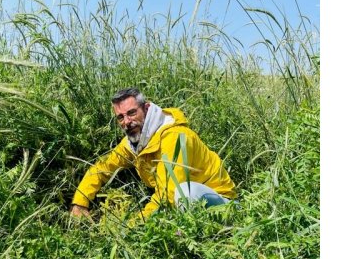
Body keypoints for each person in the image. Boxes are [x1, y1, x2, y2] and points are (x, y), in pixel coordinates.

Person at [70, 87, 236, 221]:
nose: (126, 122)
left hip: (221, 202)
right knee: (181, 197)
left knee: (184, 193)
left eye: (132, 113)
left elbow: (168, 193)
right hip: (180, 203)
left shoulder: (175, 137)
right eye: (120, 117)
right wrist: (80, 202)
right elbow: (102, 167)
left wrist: (133, 226)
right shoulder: (133, 142)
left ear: (147, 108)